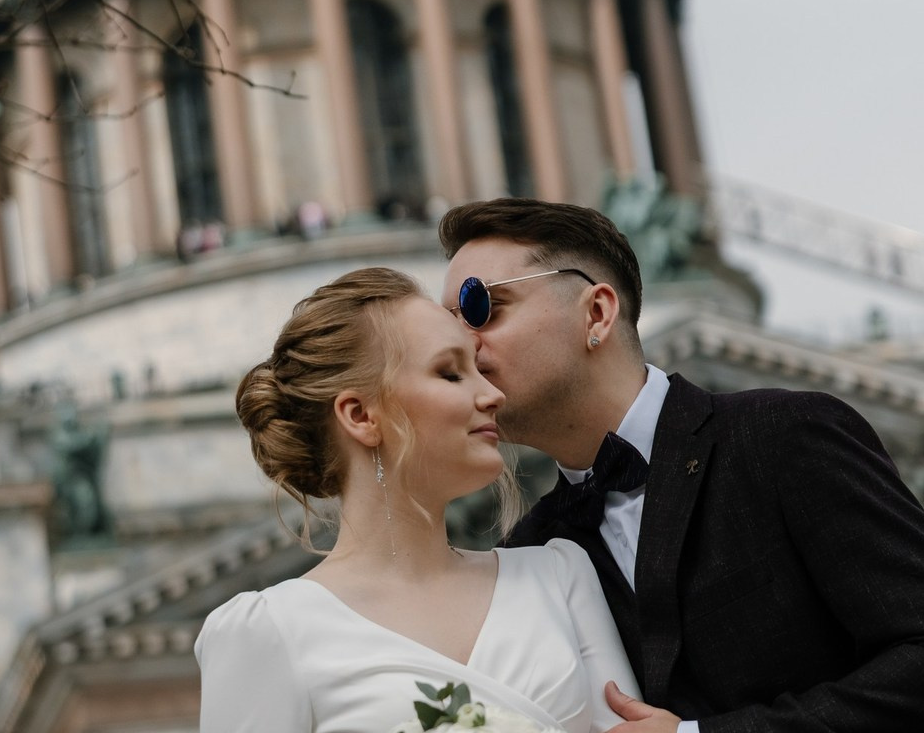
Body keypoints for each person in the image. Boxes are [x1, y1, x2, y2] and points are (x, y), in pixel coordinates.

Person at [438, 197, 924, 733]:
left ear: (597, 313)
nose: (460, 346)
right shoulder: (527, 554)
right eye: (447, 327)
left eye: (479, 306)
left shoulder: (785, 437)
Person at [195, 267, 644, 731]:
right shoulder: (266, 632)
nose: (493, 395)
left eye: (479, 369)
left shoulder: (559, 576)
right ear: (361, 414)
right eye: (450, 374)